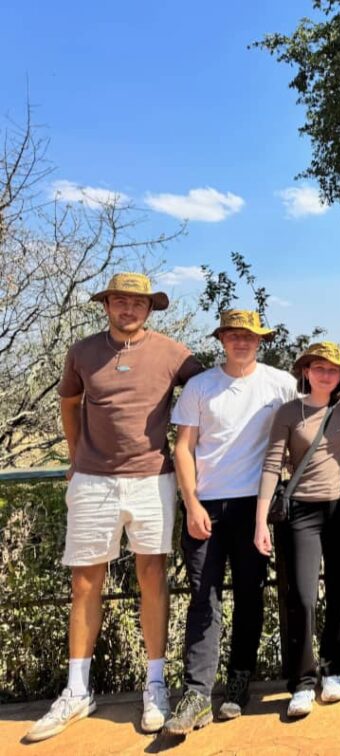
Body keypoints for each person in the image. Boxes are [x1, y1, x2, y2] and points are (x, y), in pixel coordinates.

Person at [26, 273, 203, 743]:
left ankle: (155, 685)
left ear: (150, 309)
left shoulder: (175, 354)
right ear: (106, 305)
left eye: (137, 303)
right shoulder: (83, 352)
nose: (129, 309)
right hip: (92, 480)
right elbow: (69, 403)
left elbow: (212, 393)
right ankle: (77, 690)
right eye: (120, 301)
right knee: (85, 583)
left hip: (153, 479)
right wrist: (75, 456)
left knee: (153, 576)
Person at [162, 310, 295, 736]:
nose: (241, 342)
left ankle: (239, 681)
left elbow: (300, 431)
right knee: (204, 598)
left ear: (260, 341)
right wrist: (191, 503)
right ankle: (197, 693)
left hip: (255, 508)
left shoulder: (280, 384)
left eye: (249, 336)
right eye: (234, 335)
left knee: (251, 596)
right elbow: (183, 448)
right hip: (206, 507)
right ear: (222, 339)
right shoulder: (201, 387)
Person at [255, 342, 340, 718]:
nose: (326, 375)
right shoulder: (289, 412)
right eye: (319, 368)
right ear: (306, 372)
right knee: (301, 596)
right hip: (301, 511)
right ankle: (302, 682)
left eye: (333, 369)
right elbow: (272, 464)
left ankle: (333, 671)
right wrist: (260, 521)